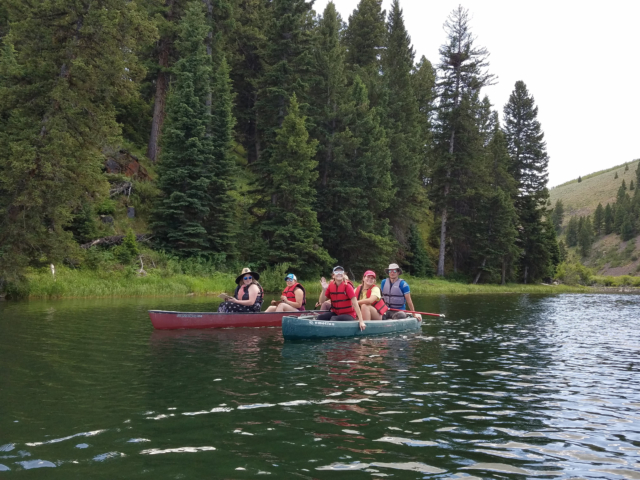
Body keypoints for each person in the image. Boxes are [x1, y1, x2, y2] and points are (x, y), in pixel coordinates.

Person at [317, 266, 366, 330]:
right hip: (336, 313)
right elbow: (321, 301)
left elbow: (355, 304)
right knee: (320, 317)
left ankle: (331, 336)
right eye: (336, 272)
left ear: (343, 275)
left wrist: (361, 321)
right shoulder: (330, 286)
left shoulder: (348, 286)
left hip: (349, 315)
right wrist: (324, 290)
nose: (339, 273)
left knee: (334, 319)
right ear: (333, 276)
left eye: (341, 271)